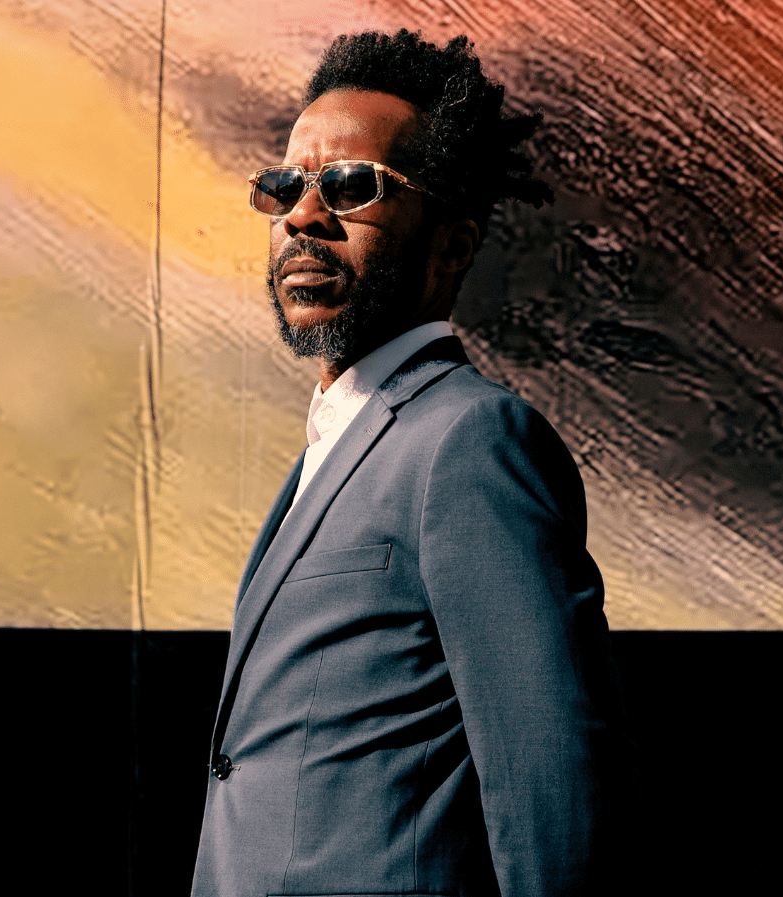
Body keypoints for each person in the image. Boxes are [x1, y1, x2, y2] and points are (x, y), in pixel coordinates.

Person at [192, 30, 632, 897]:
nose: (303, 216)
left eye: (352, 187)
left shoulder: (472, 441)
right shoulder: (339, 442)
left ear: (452, 246)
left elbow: (554, 785)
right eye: (285, 186)